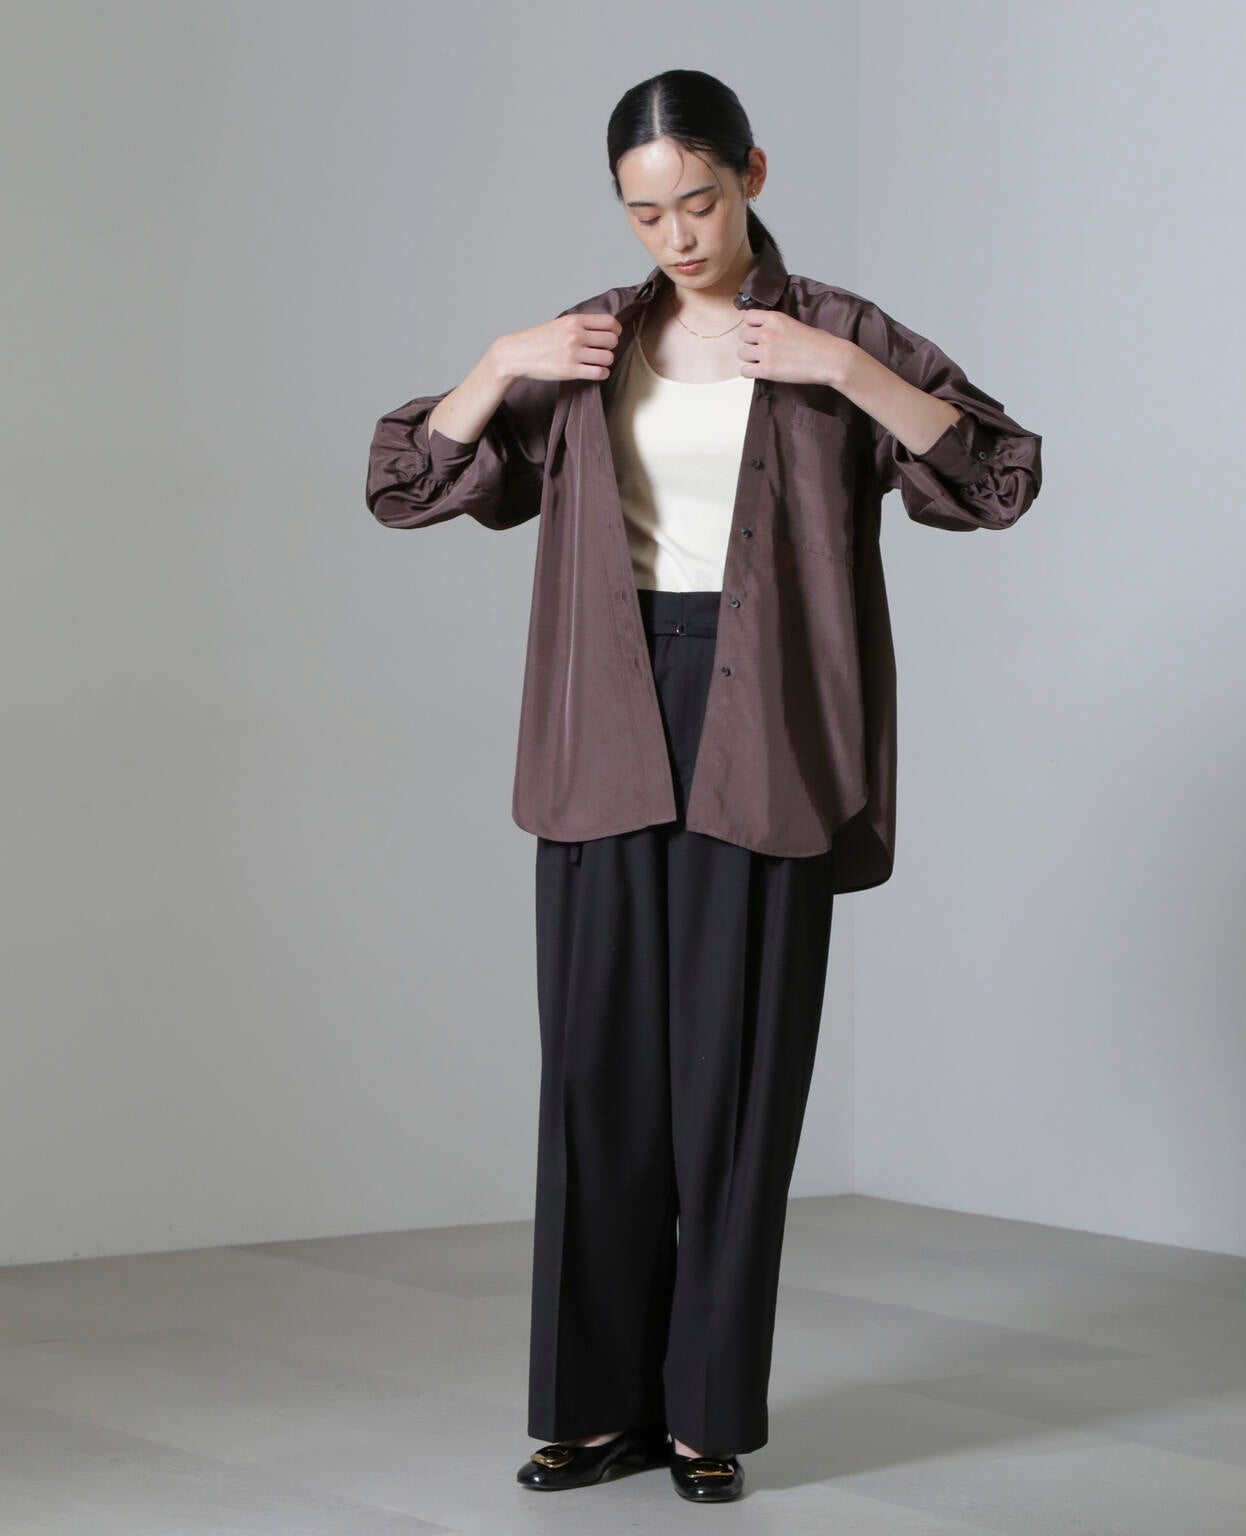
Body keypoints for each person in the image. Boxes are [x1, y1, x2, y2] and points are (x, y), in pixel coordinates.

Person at [364, 69, 1043, 1505]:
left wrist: (840, 372)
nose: (677, 236)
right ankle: (591, 1407)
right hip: (604, 713)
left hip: (767, 725)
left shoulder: (838, 330)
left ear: (753, 176)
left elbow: (995, 478)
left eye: (701, 202)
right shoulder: (585, 343)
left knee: (734, 1088)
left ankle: (705, 1415)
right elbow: (408, 484)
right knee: (596, 1077)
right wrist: (497, 361)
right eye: (645, 213)